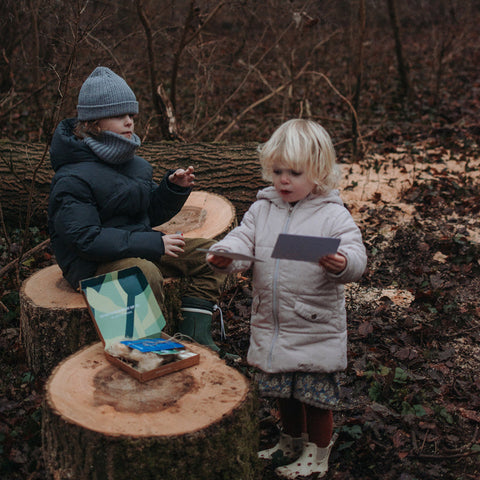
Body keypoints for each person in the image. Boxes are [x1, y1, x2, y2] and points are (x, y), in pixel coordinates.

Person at [206, 119, 367, 479]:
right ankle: (291, 440)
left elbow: (357, 255)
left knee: (314, 397)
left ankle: (318, 454)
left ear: (319, 171)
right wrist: (225, 254)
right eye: (277, 171)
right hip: (273, 322)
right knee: (283, 391)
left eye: (294, 172)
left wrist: (343, 263)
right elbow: (243, 239)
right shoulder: (263, 209)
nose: (283, 180)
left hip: (314, 325)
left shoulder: (332, 214)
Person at [48, 66, 225, 352]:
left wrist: (172, 189)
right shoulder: (71, 177)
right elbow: (85, 239)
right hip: (90, 264)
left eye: (131, 115)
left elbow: (147, 215)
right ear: (94, 122)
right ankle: (147, 351)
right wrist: (152, 242)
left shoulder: (135, 165)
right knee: (143, 273)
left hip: (133, 246)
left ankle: (195, 335)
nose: (130, 122)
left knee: (213, 255)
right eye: (120, 116)